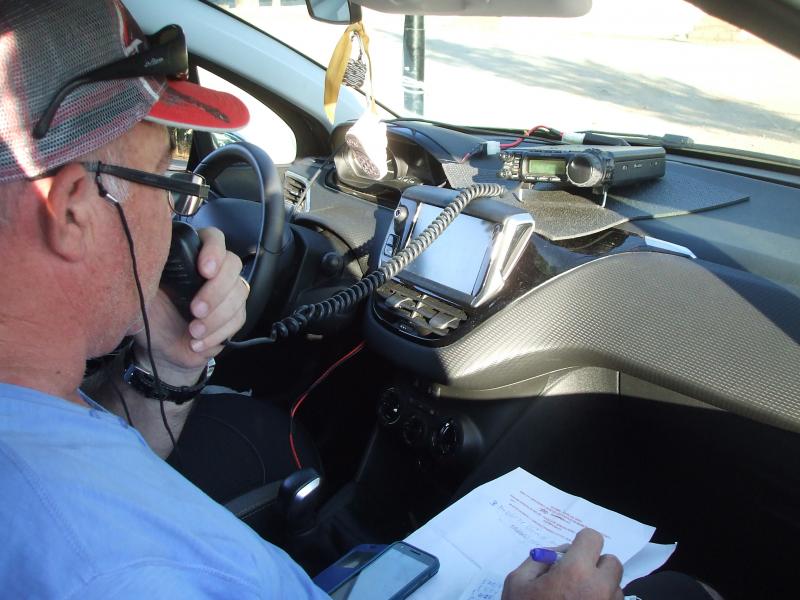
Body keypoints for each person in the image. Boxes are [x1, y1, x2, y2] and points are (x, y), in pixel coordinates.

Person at [0, 1, 720, 598]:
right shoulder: (114, 573)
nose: (182, 219)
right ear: (73, 210)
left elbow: (104, 469)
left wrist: (170, 362)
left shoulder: (41, 407)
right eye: (171, 179)